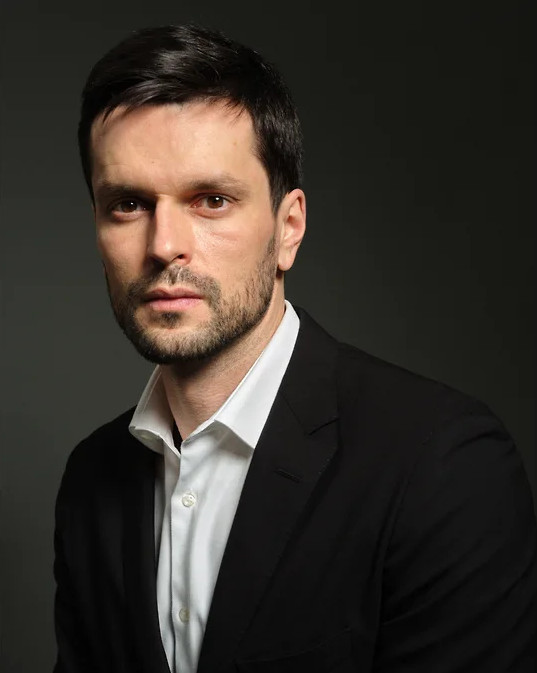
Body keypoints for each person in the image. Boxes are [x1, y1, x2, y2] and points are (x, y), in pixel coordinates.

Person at [53, 23, 537, 673]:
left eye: (211, 200)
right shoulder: (91, 479)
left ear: (288, 229)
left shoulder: (442, 466)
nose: (164, 244)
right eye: (128, 204)